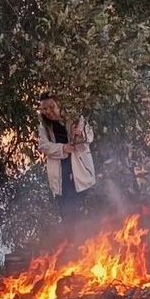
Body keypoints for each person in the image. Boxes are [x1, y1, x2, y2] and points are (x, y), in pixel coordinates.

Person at [37, 92, 96, 222]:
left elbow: (89, 138)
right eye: (44, 109)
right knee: (67, 219)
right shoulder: (44, 127)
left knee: (87, 219)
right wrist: (62, 149)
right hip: (61, 181)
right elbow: (43, 146)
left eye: (52, 106)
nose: (48, 111)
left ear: (59, 104)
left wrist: (80, 134)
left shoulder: (74, 119)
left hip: (81, 177)